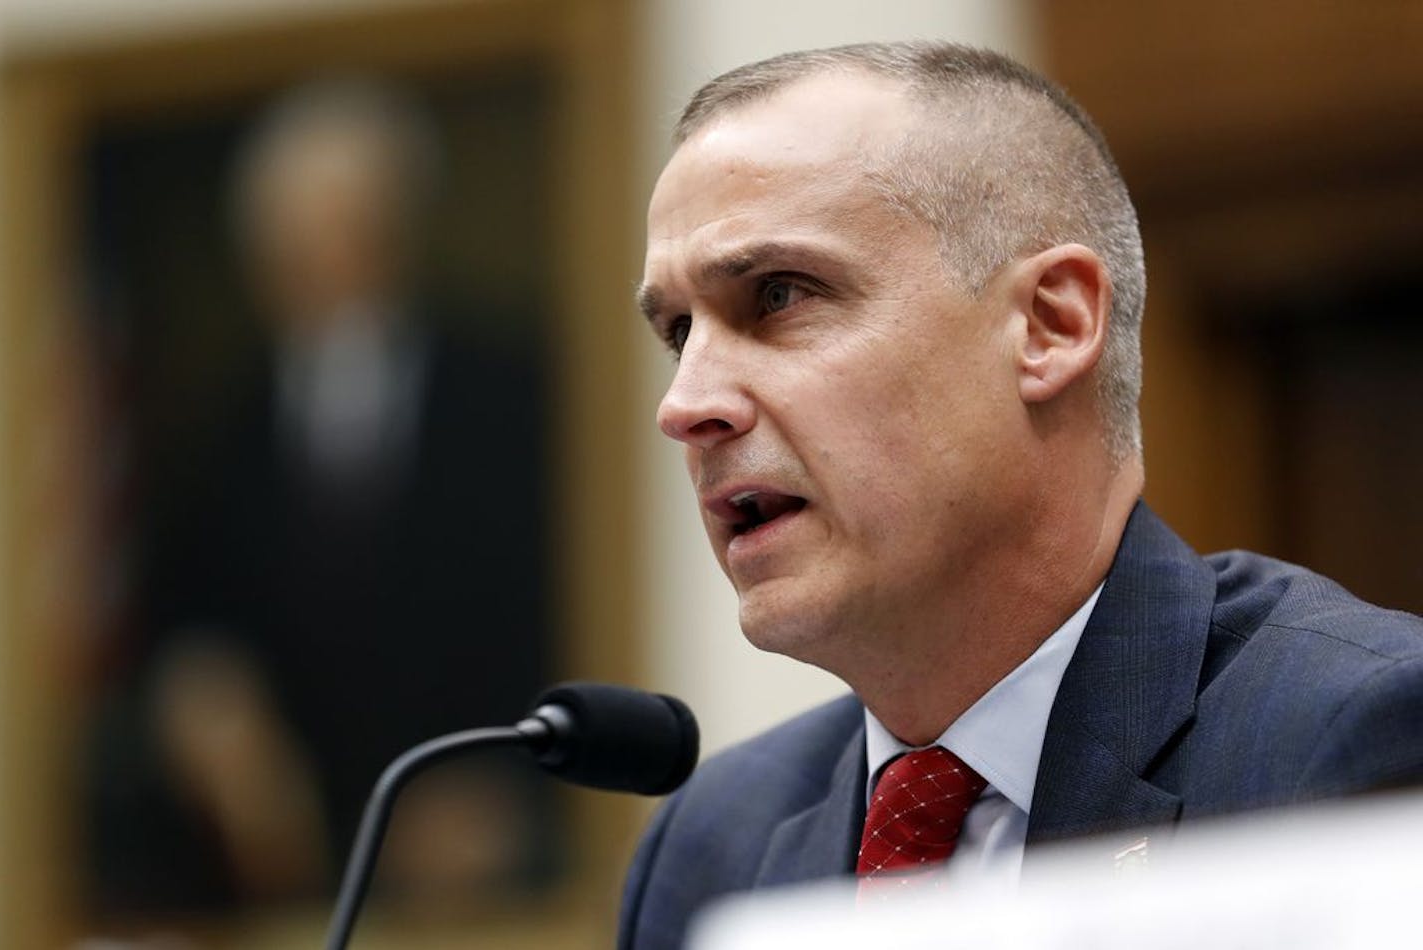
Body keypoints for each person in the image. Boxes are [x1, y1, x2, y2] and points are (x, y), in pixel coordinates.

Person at [619, 41, 1423, 949]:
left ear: (1050, 325)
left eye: (778, 295)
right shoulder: (712, 843)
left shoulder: (1358, 736)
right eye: (679, 331)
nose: (685, 404)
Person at [86, 80, 553, 914]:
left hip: (489, 856)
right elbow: (189, 620)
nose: (314, 261)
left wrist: (513, 786)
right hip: (289, 872)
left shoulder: (511, 395)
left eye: (343, 225)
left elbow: (562, 607)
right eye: (286, 238)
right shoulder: (226, 431)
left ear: (397, 226)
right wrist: (202, 700)